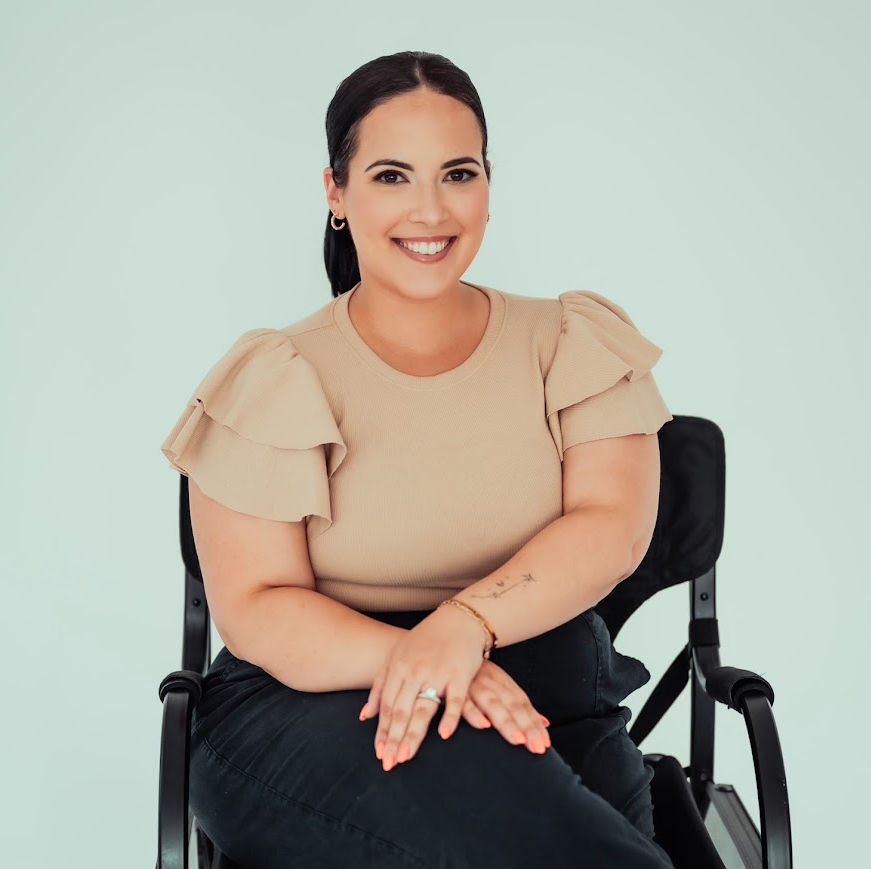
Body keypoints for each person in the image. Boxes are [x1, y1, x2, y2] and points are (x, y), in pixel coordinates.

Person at [160, 50, 676, 869]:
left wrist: (462, 629)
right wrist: (432, 663)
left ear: (487, 184)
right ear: (336, 191)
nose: (430, 209)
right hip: (310, 700)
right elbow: (256, 602)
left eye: (457, 174)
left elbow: (610, 523)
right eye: (392, 176)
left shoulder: (570, 342)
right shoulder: (274, 375)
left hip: (545, 690)